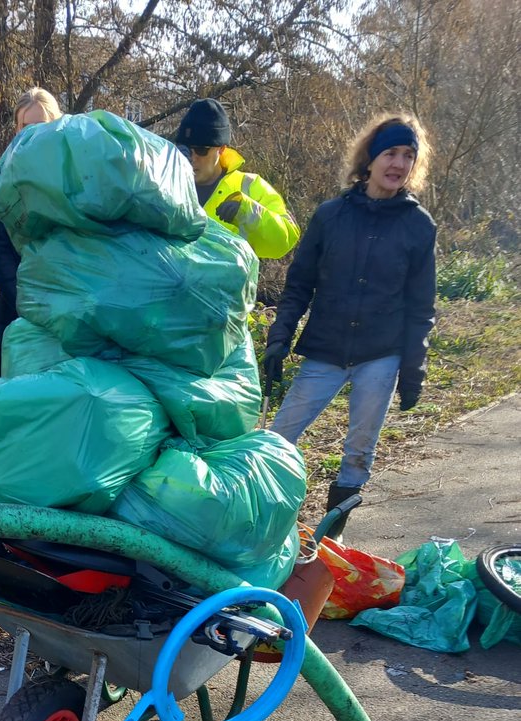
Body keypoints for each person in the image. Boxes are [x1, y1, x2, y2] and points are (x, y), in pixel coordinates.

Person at [264, 114, 436, 538]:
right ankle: (260, 513)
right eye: (390, 153)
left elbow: (420, 304)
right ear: (370, 158)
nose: (398, 164)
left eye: (408, 156)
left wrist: (414, 367)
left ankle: (333, 534)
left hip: (382, 352)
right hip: (325, 348)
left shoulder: (419, 225)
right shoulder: (331, 215)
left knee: (359, 449)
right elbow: (299, 284)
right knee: (279, 436)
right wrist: (279, 339)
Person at [175, 97, 299, 259]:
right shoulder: (168, 184)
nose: (193, 158)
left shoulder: (249, 185)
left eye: (201, 150)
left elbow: (283, 242)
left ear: (221, 149)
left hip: (226, 284)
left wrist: (247, 213)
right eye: (185, 149)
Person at [0, 87, 64, 333]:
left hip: (68, 312)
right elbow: (0, 256)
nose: (33, 134)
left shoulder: (73, 179)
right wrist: (29, 306)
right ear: (16, 130)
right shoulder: (4, 183)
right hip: (18, 316)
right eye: (26, 127)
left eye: (41, 125)